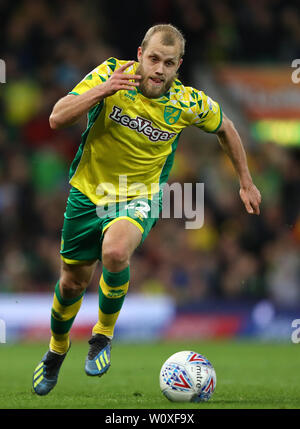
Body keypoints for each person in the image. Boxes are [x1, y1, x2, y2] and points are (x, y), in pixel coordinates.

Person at [32, 24, 261, 395]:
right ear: (140, 54)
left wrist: (246, 181)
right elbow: (57, 117)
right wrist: (103, 90)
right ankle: (56, 351)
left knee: (116, 252)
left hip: (139, 194)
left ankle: (102, 337)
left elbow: (228, 128)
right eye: (153, 58)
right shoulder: (111, 73)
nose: (159, 69)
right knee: (72, 282)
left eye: (168, 63)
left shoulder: (189, 103)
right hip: (88, 193)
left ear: (178, 65)